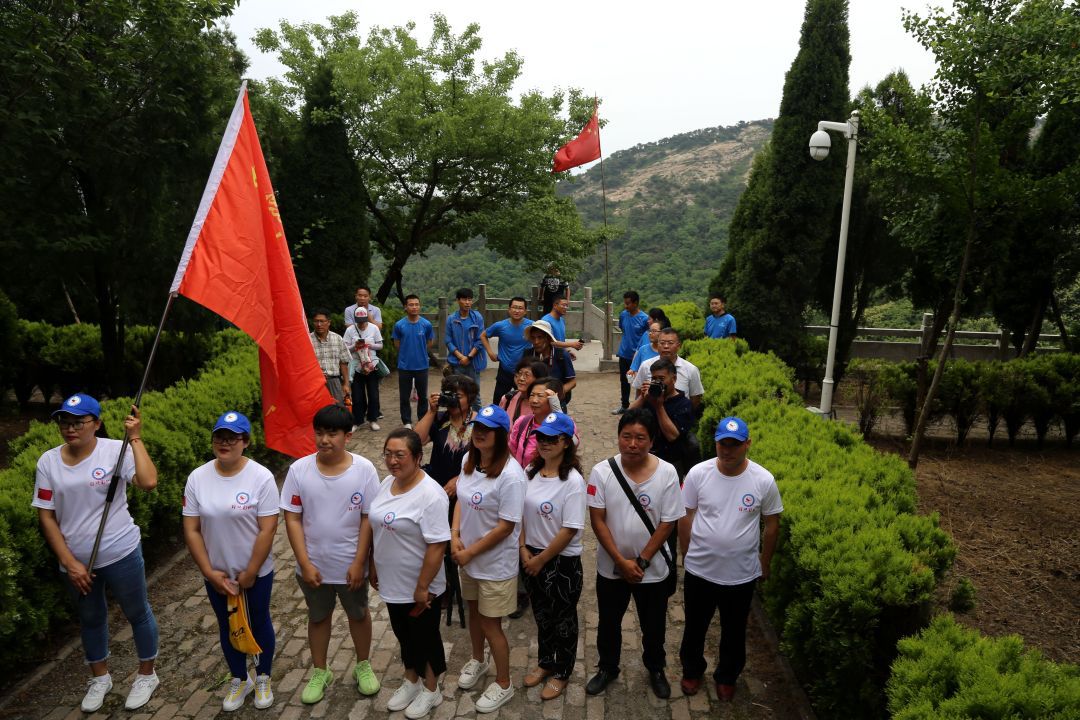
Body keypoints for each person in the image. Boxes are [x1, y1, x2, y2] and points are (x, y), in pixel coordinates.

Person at [32, 394, 161, 712]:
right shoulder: (48, 462)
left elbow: (148, 481)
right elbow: (46, 515)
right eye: (64, 421)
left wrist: (135, 438)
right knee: (90, 619)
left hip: (120, 551)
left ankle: (147, 674)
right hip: (76, 562)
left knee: (137, 612)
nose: (70, 428)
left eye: (78, 421)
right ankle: (100, 678)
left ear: (97, 424)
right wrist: (68, 562)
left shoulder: (114, 451)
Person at [279, 404, 382, 704]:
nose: (324, 440)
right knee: (318, 617)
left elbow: (368, 517)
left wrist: (360, 561)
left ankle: (363, 664)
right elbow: (293, 518)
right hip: (314, 567)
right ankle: (320, 670)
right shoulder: (300, 470)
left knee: (358, 614)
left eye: (332, 434)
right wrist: (304, 563)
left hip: (351, 565)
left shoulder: (364, 470)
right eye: (319, 433)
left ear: (347, 436)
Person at [678, 417, 782, 701]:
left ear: (747, 444)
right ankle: (692, 670)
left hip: (741, 574)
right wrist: (686, 552)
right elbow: (686, 515)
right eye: (723, 443)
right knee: (695, 626)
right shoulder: (699, 473)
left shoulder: (763, 480)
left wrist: (765, 561)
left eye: (735, 445)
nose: (728, 450)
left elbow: (772, 524)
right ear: (716, 443)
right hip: (700, 570)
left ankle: (727, 675)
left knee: (734, 630)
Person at [183, 411, 278, 711]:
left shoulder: (261, 477)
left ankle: (263, 676)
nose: (224, 443)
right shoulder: (198, 478)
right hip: (218, 573)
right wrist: (209, 572)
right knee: (227, 626)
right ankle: (240, 678)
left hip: (255, 572)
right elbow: (192, 529)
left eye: (232, 438)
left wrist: (251, 571)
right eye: (219, 437)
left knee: (259, 621)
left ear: (245, 442)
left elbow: (268, 528)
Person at [585, 409, 684, 700]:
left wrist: (640, 561)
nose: (632, 443)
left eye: (640, 438)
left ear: (651, 441)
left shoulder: (667, 473)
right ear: (618, 437)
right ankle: (607, 667)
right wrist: (619, 561)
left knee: (653, 624)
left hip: (650, 569)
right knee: (608, 621)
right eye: (626, 436)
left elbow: (668, 522)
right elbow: (597, 520)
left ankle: (655, 668)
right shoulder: (602, 472)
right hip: (611, 567)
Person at [367, 429, 451, 718]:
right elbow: (376, 526)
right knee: (403, 633)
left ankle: (432, 688)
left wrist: (422, 586)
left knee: (425, 636)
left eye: (400, 455)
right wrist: (373, 564)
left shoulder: (431, 495)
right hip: (392, 580)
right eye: (388, 454)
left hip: (420, 584)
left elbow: (438, 545)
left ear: (417, 457)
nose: (392, 461)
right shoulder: (386, 483)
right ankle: (411, 679)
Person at [450, 405, 526, 713]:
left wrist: (468, 551)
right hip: (467, 557)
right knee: (473, 612)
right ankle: (478, 660)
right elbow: (461, 501)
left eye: (488, 429)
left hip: (494, 564)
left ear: (501, 435)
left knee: (492, 623)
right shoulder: (470, 459)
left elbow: (506, 527)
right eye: (477, 426)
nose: (480, 432)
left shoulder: (512, 476)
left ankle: (504, 683)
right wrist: (455, 535)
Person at [518, 412, 586, 701]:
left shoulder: (572, 481)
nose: (544, 443)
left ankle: (563, 670)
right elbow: (518, 513)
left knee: (563, 619)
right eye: (541, 437)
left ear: (566, 443)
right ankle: (546, 662)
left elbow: (570, 529)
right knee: (542, 616)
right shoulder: (530, 472)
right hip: (530, 555)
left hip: (560, 562)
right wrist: (523, 550)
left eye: (552, 438)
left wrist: (540, 559)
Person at [627, 358, 695, 474]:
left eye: (661, 379)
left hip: (671, 463)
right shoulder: (650, 398)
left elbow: (672, 436)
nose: (658, 383)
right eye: (654, 379)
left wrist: (659, 406)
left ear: (673, 379)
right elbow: (628, 418)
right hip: (645, 458)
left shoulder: (684, 404)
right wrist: (643, 397)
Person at [632, 328, 705, 411]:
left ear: (679, 345)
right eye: (662, 343)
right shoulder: (646, 366)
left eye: (670, 343)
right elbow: (639, 394)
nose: (666, 346)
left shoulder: (691, 370)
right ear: (657, 344)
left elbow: (695, 399)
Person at [508, 377, 573, 468]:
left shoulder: (567, 424)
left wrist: (558, 413)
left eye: (540, 396)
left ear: (554, 399)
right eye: (532, 395)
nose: (534, 400)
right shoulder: (522, 422)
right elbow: (512, 451)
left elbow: (573, 444)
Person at [392, 294, 435, 427]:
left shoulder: (426, 324)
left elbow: (430, 342)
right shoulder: (399, 325)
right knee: (404, 396)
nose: (414, 307)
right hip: (404, 365)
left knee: (423, 396)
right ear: (406, 307)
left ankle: (422, 419)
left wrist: (420, 352)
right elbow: (397, 344)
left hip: (422, 365)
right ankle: (407, 421)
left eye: (417, 304)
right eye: (411, 305)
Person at [481, 296, 534, 403]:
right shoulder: (500, 326)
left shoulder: (532, 326)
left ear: (525, 311)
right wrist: (490, 353)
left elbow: (544, 339)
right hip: (505, 369)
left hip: (524, 370)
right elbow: (483, 335)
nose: (517, 310)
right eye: (514, 307)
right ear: (509, 309)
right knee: (498, 401)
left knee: (525, 401)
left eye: (520, 308)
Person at [343, 306, 385, 431]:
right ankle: (357, 420)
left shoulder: (374, 328)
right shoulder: (350, 329)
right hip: (356, 365)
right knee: (357, 395)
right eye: (359, 321)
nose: (361, 323)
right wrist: (354, 346)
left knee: (373, 394)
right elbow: (344, 347)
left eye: (363, 320)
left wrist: (369, 345)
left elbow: (380, 345)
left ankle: (373, 419)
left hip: (371, 364)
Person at [444, 287, 487, 407]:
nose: (467, 302)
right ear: (458, 300)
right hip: (457, 363)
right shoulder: (451, 319)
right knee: (458, 393)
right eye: (464, 299)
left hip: (473, 363)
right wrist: (460, 357)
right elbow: (448, 340)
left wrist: (468, 357)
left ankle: (476, 422)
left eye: (470, 299)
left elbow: (480, 339)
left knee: (475, 395)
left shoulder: (477, 317)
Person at [613, 291, 650, 415]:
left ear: (635, 303)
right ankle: (624, 405)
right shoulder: (624, 315)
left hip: (638, 356)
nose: (626, 306)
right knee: (624, 381)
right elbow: (623, 328)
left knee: (639, 382)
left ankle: (637, 407)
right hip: (624, 353)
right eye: (625, 303)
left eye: (628, 303)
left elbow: (647, 336)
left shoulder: (644, 319)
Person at [525, 321, 576, 399]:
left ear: (548, 338)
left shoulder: (561, 355)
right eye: (533, 338)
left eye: (540, 337)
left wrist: (556, 395)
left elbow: (572, 382)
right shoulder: (528, 354)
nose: (536, 342)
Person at [310, 308, 352, 404]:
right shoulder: (307, 340)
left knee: (338, 410)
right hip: (315, 383)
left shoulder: (337, 339)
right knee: (317, 411)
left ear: (328, 322)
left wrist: (346, 384)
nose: (319, 324)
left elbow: (344, 363)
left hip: (334, 381)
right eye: (316, 321)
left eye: (322, 321)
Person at [498, 359, 549, 425]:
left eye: (527, 375)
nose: (521, 378)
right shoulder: (508, 398)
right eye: (519, 374)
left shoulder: (546, 403)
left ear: (539, 379)